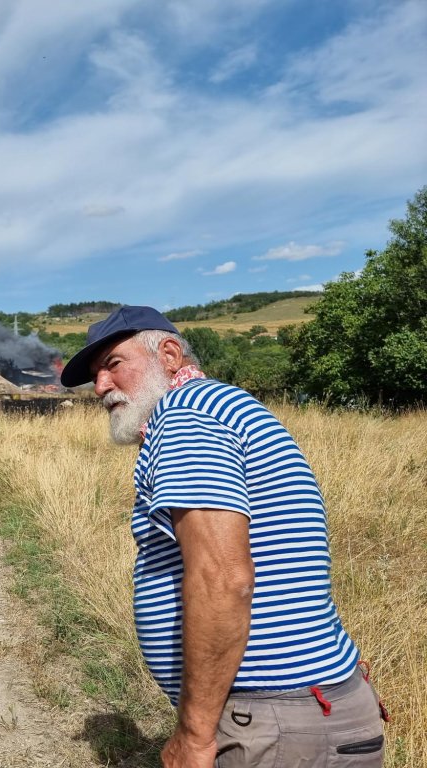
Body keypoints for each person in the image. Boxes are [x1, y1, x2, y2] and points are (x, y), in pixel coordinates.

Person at [60, 306, 387, 768]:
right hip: (299, 716)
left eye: (113, 365)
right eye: (96, 376)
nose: (100, 387)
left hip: (278, 725)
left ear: (169, 354)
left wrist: (194, 735)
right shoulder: (215, 406)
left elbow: (222, 578)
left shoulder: (185, 416)